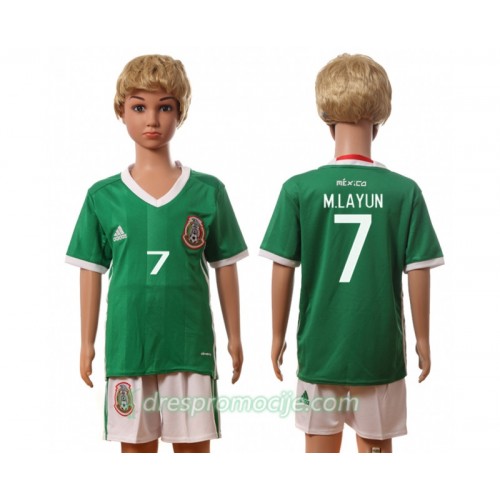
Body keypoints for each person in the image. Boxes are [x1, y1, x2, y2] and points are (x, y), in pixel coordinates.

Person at [260, 54, 444, 453]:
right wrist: (423, 339)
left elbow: (282, 267)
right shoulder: (404, 191)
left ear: (327, 120)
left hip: (319, 352)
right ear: (380, 119)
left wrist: (276, 336)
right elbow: (419, 270)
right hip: (379, 354)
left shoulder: (299, 189)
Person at [66, 54, 247, 453]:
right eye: (139, 107)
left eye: (164, 107)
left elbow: (225, 266)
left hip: (190, 348)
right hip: (130, 347)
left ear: (180, 113)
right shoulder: (102, 197)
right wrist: (86, 343)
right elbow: (90, 270)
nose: (152, 119)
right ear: (121, 111)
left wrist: (235, 336)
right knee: (136, 455)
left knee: (193, 453)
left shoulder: (208, 191)